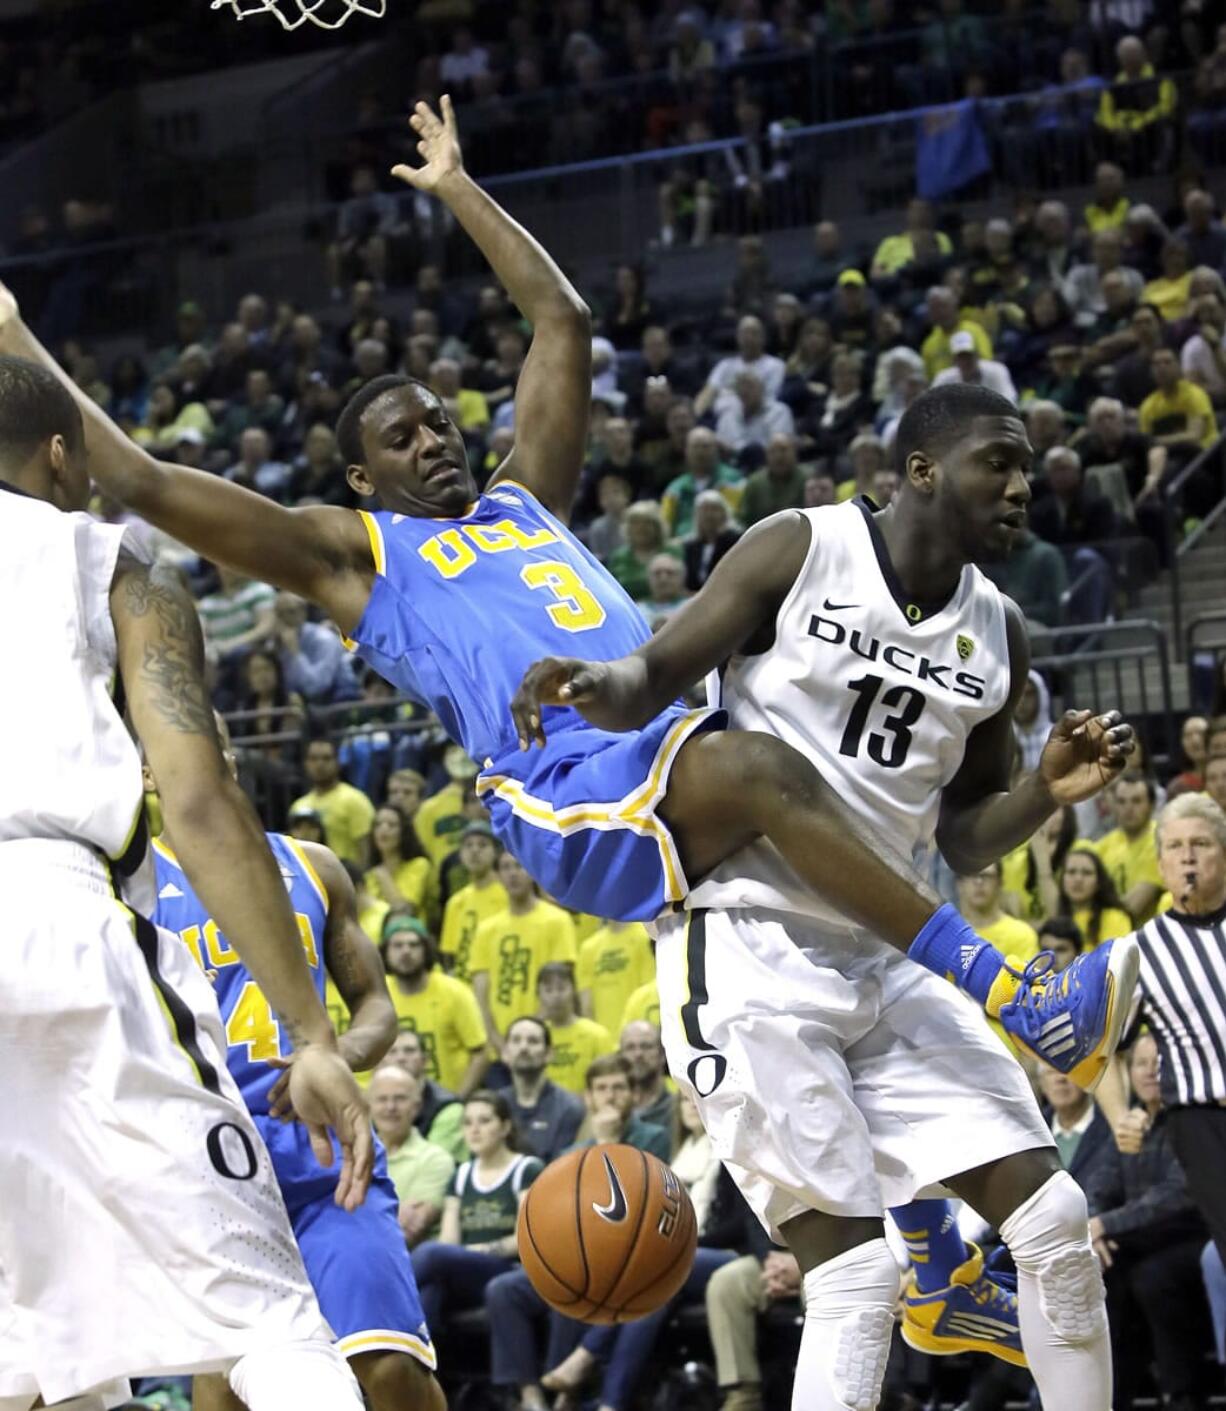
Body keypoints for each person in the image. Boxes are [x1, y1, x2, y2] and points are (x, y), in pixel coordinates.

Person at [16, 106, 1124, 1089]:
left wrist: (456, 190)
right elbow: (143, 480)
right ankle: (1011, 993)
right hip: (555, 781)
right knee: (762, 767)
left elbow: (563, 324)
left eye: (441, 419)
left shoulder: (520, 503)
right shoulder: (351, 558)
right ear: (362, 478)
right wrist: (18, 343)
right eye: (401, 436)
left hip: (656, 737)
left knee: (829, 793)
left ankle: (929, 1221)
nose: (435, 437)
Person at [518, 383, 1143, 1409]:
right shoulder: (796, 548)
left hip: (892, 950)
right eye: (1000, 459)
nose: (1023, 484)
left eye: (1029, 465)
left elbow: (959, 828)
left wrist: (1040, 789)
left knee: (1053, 1222)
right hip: (749, 944)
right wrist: (596, 684)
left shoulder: (998, 630)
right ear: (921, 470)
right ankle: (941, 1237)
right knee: (853, 1279)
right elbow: (658, 667)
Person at [0, 355, 371, 1411]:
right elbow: (200, 803)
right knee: (263, 1313)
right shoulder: (107, 561)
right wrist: (309, 1036)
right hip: (58, 911)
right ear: (64, 456)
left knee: (40, 1358)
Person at [151, 773, 443, 1411]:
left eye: (222, 740)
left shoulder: (313, 867)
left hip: (321, 1147)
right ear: (148, 771)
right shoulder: (134, 888)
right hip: (208, 1163)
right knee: (233, 1384)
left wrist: (333, 1057)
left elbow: (375, 1006)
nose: (215, 752)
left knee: (389, 1364)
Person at [1098, 795, 1226, 1273]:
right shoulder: (1138, 951)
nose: (1187, 856)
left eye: (1201, 843)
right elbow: (1102, 1049)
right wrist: (1118, 1117)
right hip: (1201, 1123)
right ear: (1159, 863)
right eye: (1174, 846)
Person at [1088, 1035, 1214, 1411]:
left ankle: (1182, 1393)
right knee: (1104, 1271)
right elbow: (1099, 1184)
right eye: (1141, 1063)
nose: (1150, 1071)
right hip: (1136, 1241)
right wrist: (1095, 1227)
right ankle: (1109, 1397)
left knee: (1152, 1277)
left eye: (1158, 1062)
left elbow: (1180, 1195)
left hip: (1192, 1235)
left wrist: (1106, 1225)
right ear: (1128, 1072)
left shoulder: (1189, 1120)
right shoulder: (1127, 1121)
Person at [410, 1089, 542, 1327]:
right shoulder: (461, 1175)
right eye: (468, 1123)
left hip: (510, 1269)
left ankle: (385, 1293)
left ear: (505, 1127)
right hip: (468, 1270)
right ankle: (422, 1362)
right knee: (431, 1287)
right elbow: (449, 1241)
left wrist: (473, 1251)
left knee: (430, 1253)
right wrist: (462, 1254)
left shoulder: (526, 1169)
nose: (474, 1129)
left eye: (484, 1121)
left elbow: (527, 1239)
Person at [470, 851, 577, 1052]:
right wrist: (498, 1041)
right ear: (498, 875)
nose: (512, 874)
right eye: (506, 868)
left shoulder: (557, 921)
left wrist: (525, 1037)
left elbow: (559, 987)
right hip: (499, 1046)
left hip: (544, 1040)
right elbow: (480, 994)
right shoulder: (486, 929)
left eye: (519, 866)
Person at [380, 912, 488, 1097]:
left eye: (413, 945)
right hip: (393, 1104)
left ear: (426, 950)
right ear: (385, 952)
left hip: (445, 1102)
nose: (405, 951)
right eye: (397, 945)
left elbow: (481, 1053)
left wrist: (457, 1101)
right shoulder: (378, 995)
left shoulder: (455, 992)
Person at [369, 1064, 456, 1249]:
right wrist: (394, 1213)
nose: (390, 1107)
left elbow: (408, 1232)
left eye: (399, 1099)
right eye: (382, 1099)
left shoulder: (436, 1159)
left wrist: (361, 1217)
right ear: (369, 1107)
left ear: (416, 1106)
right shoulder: (350, 1157)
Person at [494, 1014, 585, 1161]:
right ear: (505, 1053)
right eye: (516, 1040)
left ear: (549, 1054)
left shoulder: (569, 1107)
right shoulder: (494, 1105)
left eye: (533, 1041)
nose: (524, 1047)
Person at [1090, 771, 1166, 923]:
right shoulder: (1103, 845)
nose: (1128, 808)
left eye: (1136, 801)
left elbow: (1133, 907)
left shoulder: (1162, 841)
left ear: (1151, 805)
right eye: (1121, 801)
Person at [291, 737, 377, 868]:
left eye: (326, 758)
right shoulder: (298, 806)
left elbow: (366, 850)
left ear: (338, 762)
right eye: (313, 759)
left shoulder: (355, 800)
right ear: (306, 764)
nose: (319, 764)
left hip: (347, 878)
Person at [437, 819, 506, 980]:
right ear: (460, 854)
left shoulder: (506, 896)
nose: (474, 851)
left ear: (495, 852)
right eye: (468, 845)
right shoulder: (455, 902)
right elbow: (450, 955)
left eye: (482, 845)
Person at [535, 961, 614, 1094]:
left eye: (561, 988)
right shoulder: (535, 1037)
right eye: (548, 990)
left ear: (574, 990)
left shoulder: (598, 1035)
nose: (556, 996)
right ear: (538, 995)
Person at [576, 917, 655, 1035]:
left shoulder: (645, 937)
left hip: (636, 1037)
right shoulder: (589, 947)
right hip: (604, 1037)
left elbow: (647, 990)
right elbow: (586, 1004)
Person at [1058, 846, 1136, 948]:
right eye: (1071, 872)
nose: (1078, 879)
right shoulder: (1057, 921)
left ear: (1099, 882)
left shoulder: (1115, 918)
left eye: (1087, 873)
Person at [366, 802, 434, 917]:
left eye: (391, 825)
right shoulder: (369, 875)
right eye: (378, 825)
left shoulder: (419, 865)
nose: (384, 829)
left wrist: (383, 876)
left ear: (404, 832)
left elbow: (404, 911)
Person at [619, 1018, 677, 1132]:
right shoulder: (612, 1112)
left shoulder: (678, 1112)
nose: (638, 1054)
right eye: (630, 1047)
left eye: (646, 1046)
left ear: (663, 1055)